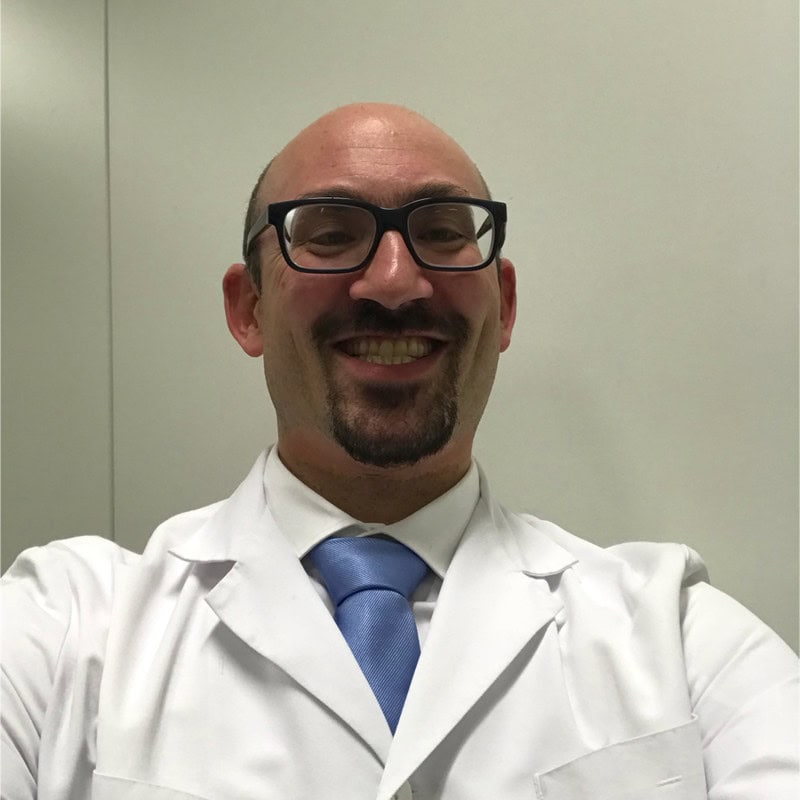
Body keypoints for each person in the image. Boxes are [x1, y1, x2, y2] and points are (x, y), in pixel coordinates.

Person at [1, 103, 797, 800]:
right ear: (247, 309)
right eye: (330, 234)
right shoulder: (61, 629)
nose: (393, 281)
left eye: (442, 233)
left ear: (504, 305)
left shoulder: (679, 636)